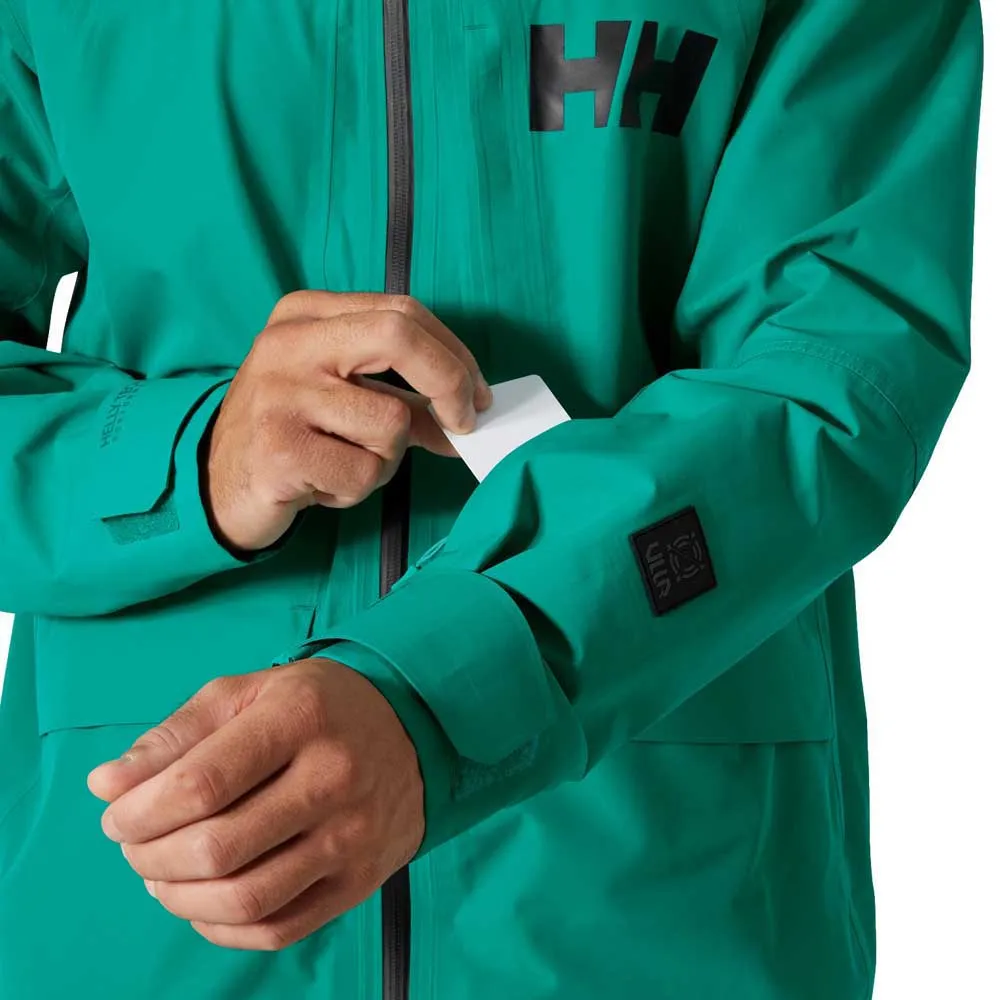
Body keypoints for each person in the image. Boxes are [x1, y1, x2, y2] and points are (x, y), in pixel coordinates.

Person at [0, 0, 982, 997]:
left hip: (651, 906)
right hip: (141, 893)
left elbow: (831, 378)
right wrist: (194, 457)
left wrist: (446, 692)